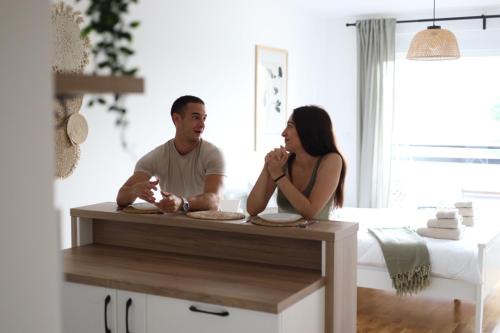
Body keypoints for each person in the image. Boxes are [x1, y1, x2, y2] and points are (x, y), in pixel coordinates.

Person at [116, 95, 225, 213]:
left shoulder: (213, 154)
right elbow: (121, 198)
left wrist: (182, 203)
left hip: (207, 228)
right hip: (171, 226)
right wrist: (134, 191)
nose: (202, 125)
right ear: (176, 119)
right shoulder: (157, 156)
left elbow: (215, 199)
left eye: (204, 118)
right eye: (196, 118)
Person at [247, 105, 346, 220]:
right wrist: (267, 166)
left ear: (308, 130)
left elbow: (310, 212)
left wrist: (278, 175)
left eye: (290, 126)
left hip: (317, 237)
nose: (283, 133)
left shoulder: (332, 160)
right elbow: (252, 209)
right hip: (282, 236)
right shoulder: (283, 162)